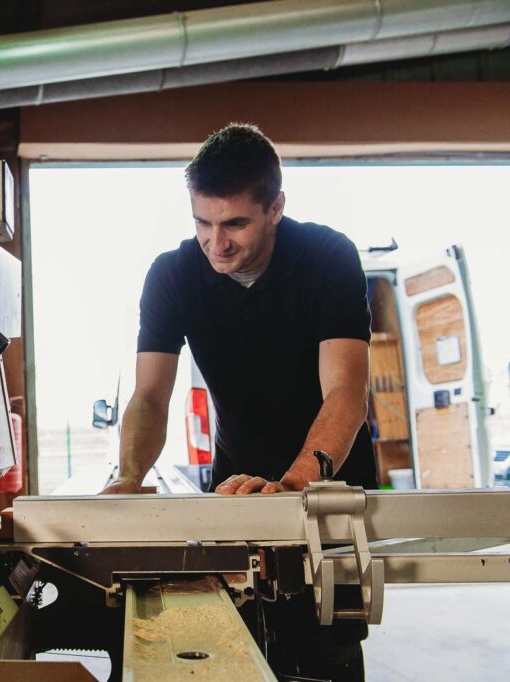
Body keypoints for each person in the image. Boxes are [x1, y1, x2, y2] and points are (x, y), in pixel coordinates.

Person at [100, 123, 377, 680]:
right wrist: (128, 477)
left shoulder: (327, 257)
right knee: (236, 643)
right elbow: (151, 395)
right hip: (235, 485)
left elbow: (346, 390)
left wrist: (295, 484)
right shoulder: (173, 275)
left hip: (327, 484)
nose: (216, 243)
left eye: (234, 224)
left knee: (326, 648)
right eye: (202, 222)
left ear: (275, 207)